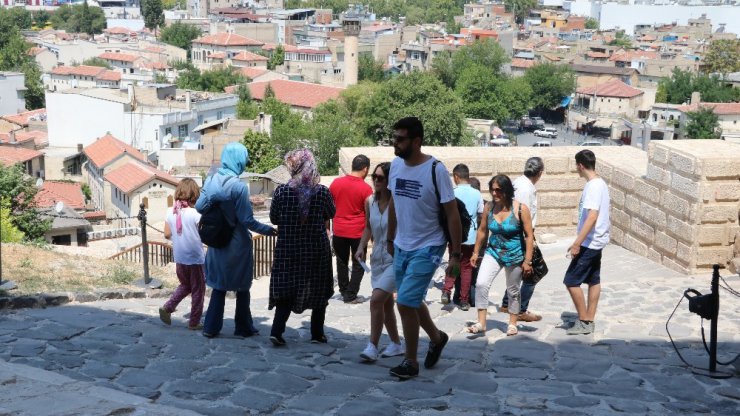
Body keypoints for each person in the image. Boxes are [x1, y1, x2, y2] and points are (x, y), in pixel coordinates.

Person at [386, 117, 460, 379]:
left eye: (401, 138)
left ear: (416, 141)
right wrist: (389, 237)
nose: (395, 142)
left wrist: (456, 254)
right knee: (412, 299)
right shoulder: (395, 165)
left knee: (404, 301)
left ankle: (410, 362)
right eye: (394, 137)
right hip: (402, 244)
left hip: (429, 245)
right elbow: (394, 203)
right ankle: (437, 338)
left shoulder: (436, 169)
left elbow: (451, 213)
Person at [195, 143, 276, 339]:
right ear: (239, 160)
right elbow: (247, 220)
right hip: (237, 243)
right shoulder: (239, 187)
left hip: (217, 241)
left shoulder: (212, 180)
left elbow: (199, 206)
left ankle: (211, 327)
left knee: (219, 286)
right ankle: (243, 327)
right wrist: (269, 230)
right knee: (242, 287)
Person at [269, 149, 336, 346]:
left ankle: (277, 331)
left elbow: (273, 218)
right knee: (319, 289)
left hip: (288, 249)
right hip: (315, 249)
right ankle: (317, 333)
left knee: (287, 289)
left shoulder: (281, 191)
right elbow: (331, 212)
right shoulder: (322, 191)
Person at [468, 175, 534, 336]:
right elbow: (483, 230)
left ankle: (512, 322)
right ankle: (481, 322)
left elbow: (529, 235)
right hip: (493, 252)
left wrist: (528, 260)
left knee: (513, 290)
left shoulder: (520, 209)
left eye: (499, 190)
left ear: (507, 190)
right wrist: (476, 252)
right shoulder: (489, 207)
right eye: (492, 189)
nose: (495, 193)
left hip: (515, 254)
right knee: (481, 283)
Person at [355, 162, 405, 362]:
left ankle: (372, 346)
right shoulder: (370, 201)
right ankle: (395, 344)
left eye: (381, 178)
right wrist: (361, 246)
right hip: (377, 258)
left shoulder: (399, 202)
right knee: (386, 305)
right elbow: (368, 226)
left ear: (390, 180)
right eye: (374, 177)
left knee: (376, 300)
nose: (376, 180)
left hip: (395, 257)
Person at [565, 150, 610, 335]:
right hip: (598, 241)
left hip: (589, 243)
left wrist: (577, 243)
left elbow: (592, 216)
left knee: (571, 281)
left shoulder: (592, 186)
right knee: (593, 280)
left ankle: (583, 320)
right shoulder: (601, 183)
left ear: (580, 165)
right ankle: (590, 319)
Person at [501, 157, 545, 322]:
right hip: (523, 235)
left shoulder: (519, 182)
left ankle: (507, 303)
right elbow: (522, 216)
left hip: (519, 234)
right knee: (533, 272)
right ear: (539, 173)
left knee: (516, 270)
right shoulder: (525, 188)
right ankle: (520, 309)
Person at [159, 178, 206, 330]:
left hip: (179, 257)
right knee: (198, 289)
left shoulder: (169, 211)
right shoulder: (196, 214)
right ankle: (194, 322)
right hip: (195, 258)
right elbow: (204, 234)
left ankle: (168, 307)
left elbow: (166, 234)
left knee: (185, 285)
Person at [330, 155, 373, 303]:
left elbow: (329, 206)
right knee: (359, 263)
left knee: (341, 262)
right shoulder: (366, 188)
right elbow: (369, 213)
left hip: (339, 230)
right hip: (357, 232)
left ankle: (344, 291)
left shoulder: (336, 183)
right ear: (365, 169)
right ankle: (351, 294)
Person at [440, 164, 484, 311]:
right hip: (470, 237)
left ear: (456, 176)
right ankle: (464, 301)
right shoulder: (477, 194)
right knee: (466, 268)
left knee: (454, 262)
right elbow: (480, 215)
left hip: (454, 236)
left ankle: (447, 290)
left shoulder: (452, 193)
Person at [453, 177, 483, 307]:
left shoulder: (454, 192)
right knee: (468, 270)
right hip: (472, 241)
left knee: (454, 265)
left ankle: (449, 291)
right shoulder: (481, 202)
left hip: (456, 238)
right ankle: (466, 299)